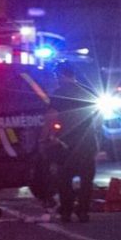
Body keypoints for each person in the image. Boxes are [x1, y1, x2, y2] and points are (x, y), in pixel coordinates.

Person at [47, 63, 100, 223]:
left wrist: (51, 136)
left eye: (57, 76)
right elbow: (98, 118)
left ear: (62, 75)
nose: (56, 80)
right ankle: (83, 212)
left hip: (66, 143)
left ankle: (66, 212)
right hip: (87, 141)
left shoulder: (58, 93)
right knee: (86, 180)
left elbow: (52, 117)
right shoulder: (88, 91)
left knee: (65, 179)